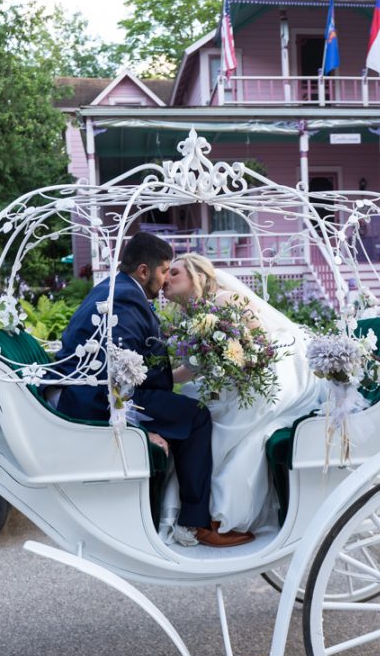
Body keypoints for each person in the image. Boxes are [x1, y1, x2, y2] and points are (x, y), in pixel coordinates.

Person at [53, 232, 253, 548]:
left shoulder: (118, 290)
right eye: (163, 271)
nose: (164, 280)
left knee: (187, 407)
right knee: (197, 417)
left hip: (96, 390)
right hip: (95, 400)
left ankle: (191, 513)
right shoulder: (126, 298)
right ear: (144, 271)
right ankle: (193, 525)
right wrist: (138, 427)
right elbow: (116, 375)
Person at [160, 253, 323, 538]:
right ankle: (202, 511)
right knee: (193, 402)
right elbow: (194, 365)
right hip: (235, 379)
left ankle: (220, 514)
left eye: (174, 273)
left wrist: (230, 367)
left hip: (269, 375)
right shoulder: (194, 312)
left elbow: (259, 345)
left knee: (225, 425)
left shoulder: (225, 300)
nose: (165, 280)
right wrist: (158, 382)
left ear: (197, 275)